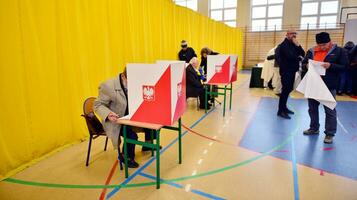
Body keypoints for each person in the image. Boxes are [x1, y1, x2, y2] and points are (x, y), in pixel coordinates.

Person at [94, 68, 157, 168]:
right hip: (115, 120)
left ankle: (147, 145)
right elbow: (97, 105)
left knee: (152, 123)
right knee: (131, 136)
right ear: (123, 76)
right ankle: (126, 157)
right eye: (131, 81)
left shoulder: (132, 83)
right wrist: (108, 114)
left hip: (130, 117)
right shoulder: (108, 86)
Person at [302, 32, 348, 144]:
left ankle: (329, 134)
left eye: (324, 45)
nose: (322, 47)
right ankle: (314, 128)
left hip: (328, 86)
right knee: (312, 109)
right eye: (320, 45)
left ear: (330, 41)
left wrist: (331, 66)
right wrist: (306, 66)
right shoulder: (312, 51)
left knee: (330, 111)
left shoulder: (339, 51)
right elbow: (303, 63)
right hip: (313, 85)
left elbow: (344, 67)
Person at [275, 29, 305, 119]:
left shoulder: (294, 44)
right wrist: (299, 58)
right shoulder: (283, 45)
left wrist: (298, 45)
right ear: (287, 35)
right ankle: (280, 111)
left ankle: (284, 108)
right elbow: (290, 56)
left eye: (295, 34)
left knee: (289, 89)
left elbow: (303, 53)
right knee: (285, 90)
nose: (294, 35)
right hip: (286, 71)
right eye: (292, 34)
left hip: (292, 70)